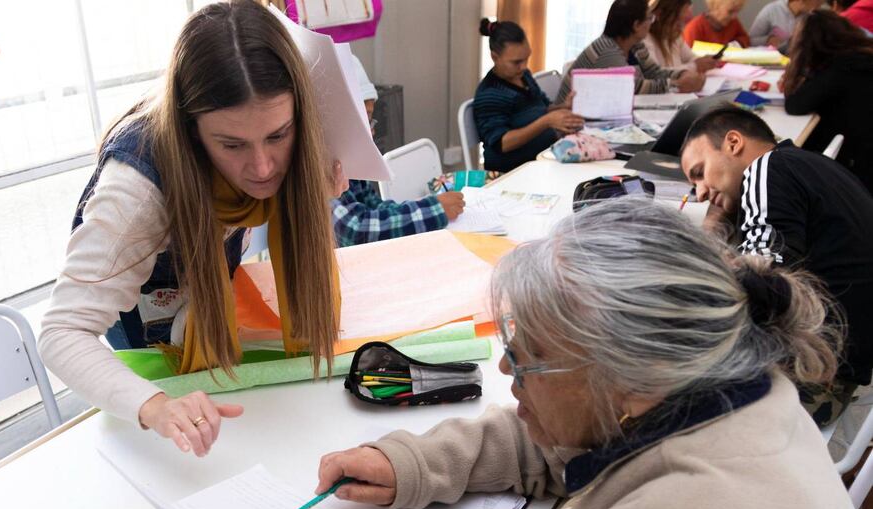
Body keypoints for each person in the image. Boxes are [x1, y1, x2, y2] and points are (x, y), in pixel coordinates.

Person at [173, 199, 873, 509]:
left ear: (626, 378)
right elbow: (573, 434)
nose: (506, 377)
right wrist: (414, 463)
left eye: (527, 360)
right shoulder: (730, 384)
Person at [39, 1, 347, 456]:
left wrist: (311, 185)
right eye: (231, 144)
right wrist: (154, 406)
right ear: (190, 131)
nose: (262, 167)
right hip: (152, 349)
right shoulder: (137, 191)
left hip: (208, 314)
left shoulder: (297, 135)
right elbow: (62, 333)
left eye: (278, 136)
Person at [680, 106, 873, 425]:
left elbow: (760, 282)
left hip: (811, 384)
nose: (700, 193)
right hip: (841, 363)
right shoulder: (807, 164)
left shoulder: (766, 169)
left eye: (700, 172)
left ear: (733, 143)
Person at [330, 55, 464, 246]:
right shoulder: (318, 163)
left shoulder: (348, 157)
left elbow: (372, 206)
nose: (372, 130)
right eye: (365, 118)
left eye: (371, 119)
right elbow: (355, 229)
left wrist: (422, 206)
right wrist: (434, 209)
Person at [473, 18, 585, 173]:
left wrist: (562, 107)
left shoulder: (523, 76)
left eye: (526, 58)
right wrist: (546, 122)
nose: (524, 66)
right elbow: (502, 143)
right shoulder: (490, 94)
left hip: (543, 159)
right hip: (512, 171)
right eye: (516, 62)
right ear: (494, 57)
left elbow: (544, 107)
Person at [783, 9, 873, 192]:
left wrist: (797, 72)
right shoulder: (861, 58)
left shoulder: (841, 69)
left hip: (856, 169)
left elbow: (795, 105)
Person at [556, 0, 704, 104]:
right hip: (569, 119)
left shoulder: (636, 44)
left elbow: (654, 72)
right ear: (636, 25)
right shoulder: (606, 51)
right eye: (649, 18)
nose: (651, 22)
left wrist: (683, 74)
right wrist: (677, 84)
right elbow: (633, 86)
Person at [644, 0, 720, 71]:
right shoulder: (645, 39)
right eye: (677, 21)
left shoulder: (674, 34)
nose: (681, 28)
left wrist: (704, 62)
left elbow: (690, 58)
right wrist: (695, 66)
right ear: (659, 15)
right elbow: (655, 74)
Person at [748, 0, 824, 50]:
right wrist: (767, 40)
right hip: (772, 62)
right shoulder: (771, 11)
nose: (819, 7)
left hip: (799, 63)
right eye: (817, 3)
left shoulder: (812, 16)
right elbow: (750, 40)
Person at [683, 0, 751, 47]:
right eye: (730, 12)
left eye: (737, 11)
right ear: (715, 8)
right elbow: (688, 58)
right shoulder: (694, 28)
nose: (734, 16)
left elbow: (745, 38)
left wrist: (736, 44)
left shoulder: (733, 22)